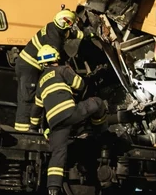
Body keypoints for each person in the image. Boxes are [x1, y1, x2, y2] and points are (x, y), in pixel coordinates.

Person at [34, 45, 107, 195]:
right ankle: (100, 131)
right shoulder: (62, 69)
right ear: (56, 58)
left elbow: (36, 109)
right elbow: (80, 85)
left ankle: (53, 187)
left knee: (58, 153)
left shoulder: (40, 83)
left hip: (56, 124)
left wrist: (32, 127)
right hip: (71, 113)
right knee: (98, 103)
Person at [13, 6, 92, 132]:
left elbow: (69, 33)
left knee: (28, 95)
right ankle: (24, 130)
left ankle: (31, 128)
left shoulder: (54, 27)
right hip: (29, 66)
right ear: (64, 22)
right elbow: (55, 61)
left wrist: (87, 35)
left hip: (28, 65)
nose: (71, 26)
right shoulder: (53, 40)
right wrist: (67, 72)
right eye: (70, 23)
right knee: (28, 97)